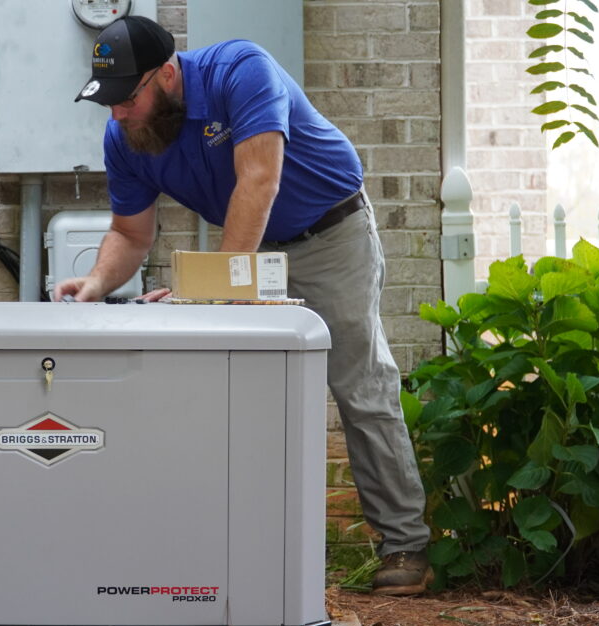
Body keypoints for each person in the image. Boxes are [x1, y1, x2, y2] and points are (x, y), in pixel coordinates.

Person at [57, 16, 432, 595]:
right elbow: (130, 236)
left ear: (166, 75)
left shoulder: (241, 71)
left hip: (329, 236)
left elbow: (259, 181)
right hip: (249, 245)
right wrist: (95, 284)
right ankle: (231, 544)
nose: (117, 116)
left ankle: (405, 546)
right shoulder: (125, 139)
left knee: (360, 385)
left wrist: (210, 291)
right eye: (108, 103)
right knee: (228, 391)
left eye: (127, 100)